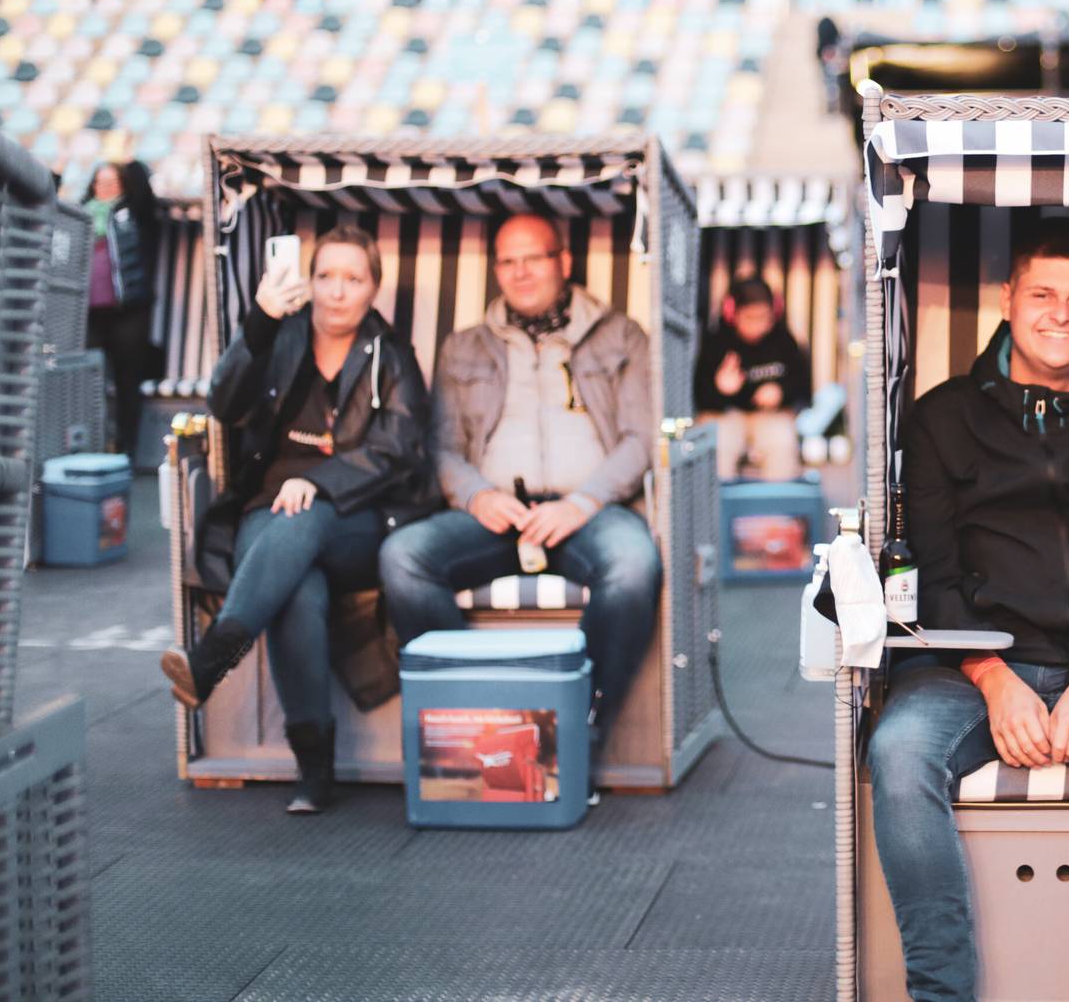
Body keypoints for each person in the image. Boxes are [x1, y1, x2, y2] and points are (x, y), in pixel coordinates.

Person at [867, 222, 1069, 1002]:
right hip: (968, 666)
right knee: (898, 751)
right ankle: (942, 994)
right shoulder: (942, 418)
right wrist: (990, 676)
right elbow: (931, 575)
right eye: (1043, 294)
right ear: (1007, 299)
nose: (1061, 314)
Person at [159, 226, 435, 814]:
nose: (337, 291)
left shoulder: (392, 355)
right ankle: (315, 770)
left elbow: (399, 450)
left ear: (374, 288)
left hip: (357, 518)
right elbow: (223, 405)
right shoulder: (281, 336)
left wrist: (320, 481)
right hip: (267, 512)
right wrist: (259, 322)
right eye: (326, 276)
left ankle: (213, 657)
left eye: (353, 278)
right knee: (296, 589)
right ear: (309, 282)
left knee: (305, 517)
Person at [379, 214, 663, 760]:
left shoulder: (621, 335)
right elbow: (440, 447)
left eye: (533, 257)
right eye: (508, 261)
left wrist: (582, 502)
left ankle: (580, 732)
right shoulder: (463, 346)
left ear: (563, 261)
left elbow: (640, 439)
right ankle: (476, 715)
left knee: (633, 567)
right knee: (402, 556)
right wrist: (476, 495)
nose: (520, 272)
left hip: (589, 512)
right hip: (495, 514)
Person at [695, 275, 812, 481]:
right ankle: (716, 499)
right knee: (719, 442)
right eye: (750, 317)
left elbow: (803, 388)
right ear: (732, 313)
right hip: (726, 417)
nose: (758, 325)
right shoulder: (716, 343)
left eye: (764, 317)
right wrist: (720, 390)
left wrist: (781, 393)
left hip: (769, 416)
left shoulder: (784, 341)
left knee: (782, 439)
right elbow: (699, 397)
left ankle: (778, 500)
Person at [82, 159, 161, 456]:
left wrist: (125, 160)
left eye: (113, 183)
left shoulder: (135, 212)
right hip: (91, 314)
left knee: (128, 382)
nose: (105, 188)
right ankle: (93, 446)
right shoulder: (80, 215)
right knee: (89, 379)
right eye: (100, 182)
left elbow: (144, 190)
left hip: (129, 311)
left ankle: (126, 449)